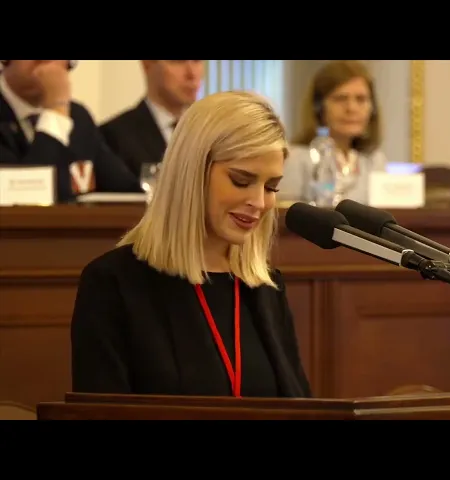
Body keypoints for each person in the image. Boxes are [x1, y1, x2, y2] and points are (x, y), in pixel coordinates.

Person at [70, 91, 312, 399]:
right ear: (192, 173)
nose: (259, 202)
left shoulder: (266, 287)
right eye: (241, 180)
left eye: (271, 187)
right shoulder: (112, 283)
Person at [0, 60, 140, 202]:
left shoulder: (78, 117)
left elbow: (128, 191)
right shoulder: (61, 112)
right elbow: (27, 197)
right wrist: (56, 112)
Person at [279, 60, 387, 205]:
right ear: (319, 107)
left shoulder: (375, 161)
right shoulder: (296, 159)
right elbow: (285, 215)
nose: (351, 108)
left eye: (361, 99)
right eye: (340, 99)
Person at [100, 60, 205, 177]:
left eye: (197, 61)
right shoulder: (111, 138)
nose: (192, 74)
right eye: (178, 61)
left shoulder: (210, 133)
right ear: (147, 64)